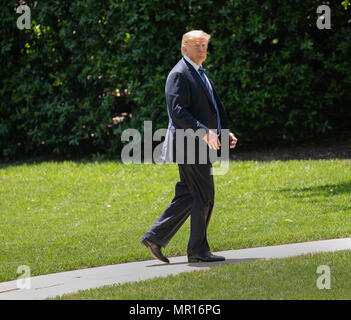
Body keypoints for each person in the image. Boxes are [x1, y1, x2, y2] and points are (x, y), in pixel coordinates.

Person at [140, 30, 237, 263]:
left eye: (204, 45)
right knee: (204, 196)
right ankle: (197, 251)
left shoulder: (199, 73)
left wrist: (223, 133)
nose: (202, 49)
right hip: (189, 144)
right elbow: (178, 112)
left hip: (198, 144)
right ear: (184, 48)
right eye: (197, 45)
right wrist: (204, 132)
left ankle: (155, 238)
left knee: (188, 194)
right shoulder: (180, 74)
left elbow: (210, 108)